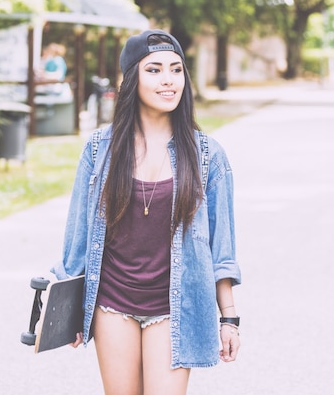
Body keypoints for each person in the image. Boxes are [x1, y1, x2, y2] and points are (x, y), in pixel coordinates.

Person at [51, 29, 242, 395]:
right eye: (153, 70)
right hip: (113, 304)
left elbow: (222, 247)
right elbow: (78, 234)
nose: (168, 80)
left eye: (176, 69)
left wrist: (230, 319)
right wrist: (66, 309)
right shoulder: (99, 149)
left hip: (175, 307)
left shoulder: (207, 156)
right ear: (131, 79)